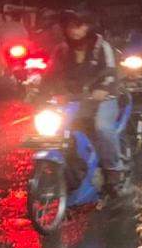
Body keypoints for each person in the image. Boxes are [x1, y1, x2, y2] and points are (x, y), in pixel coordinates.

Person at [49, 11, 127, 193]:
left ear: (88, 26)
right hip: (75, 101)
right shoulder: (62, 50)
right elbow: (50, 75)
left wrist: (103, 89)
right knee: (54, 131)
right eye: (70, 26)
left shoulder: (102, 46)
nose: (75, 31)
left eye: (79, 25)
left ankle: (114, 169)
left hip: (104, 98)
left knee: (102, 127)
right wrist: (37, 92)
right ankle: (67, 170)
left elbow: (110, 71)